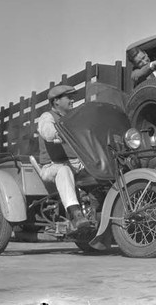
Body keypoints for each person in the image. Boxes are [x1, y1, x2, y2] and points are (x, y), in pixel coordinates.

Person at [37, 85, 90, 231]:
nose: (73, 100)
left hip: (75, 164)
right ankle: (76, 214)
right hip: (53, 166)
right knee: (64, 170)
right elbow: (47, 131)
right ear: (56, 101)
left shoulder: (72, 118)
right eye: (69, 97)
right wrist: (58, 134)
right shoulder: (47, 117)